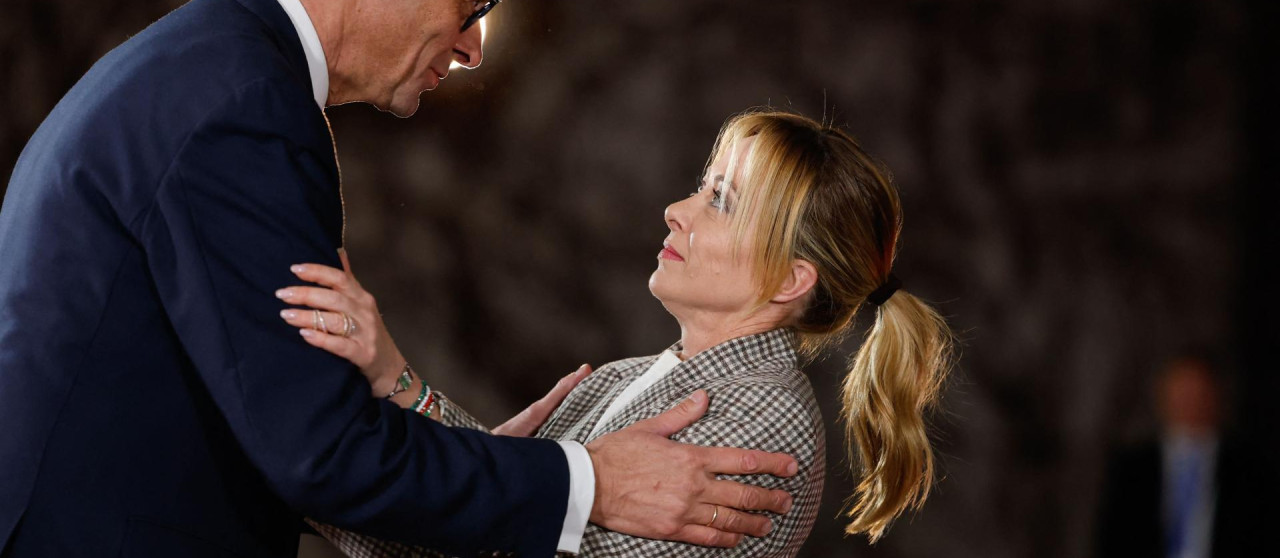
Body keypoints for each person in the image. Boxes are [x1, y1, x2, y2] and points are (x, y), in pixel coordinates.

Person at [0, 0, 798, 556]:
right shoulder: (244, 111)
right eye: (473, 3)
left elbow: (276, 432)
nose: (474, 46)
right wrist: (588, 482)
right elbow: (322, 454)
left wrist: (477, 460)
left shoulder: (199, 68)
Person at [278, 109, 955, 556]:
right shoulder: (622, 378)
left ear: (789, 280)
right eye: (703, 186)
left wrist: (318, 461)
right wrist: (392, 378)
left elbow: (491, 528)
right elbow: (496, 504)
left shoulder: (765, 417)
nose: (676, 210)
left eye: (721, 201)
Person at [1094, 353, 1270, 558]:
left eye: (1199, 391)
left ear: (1217, 395)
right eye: (1182, 391)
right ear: (1162, 395)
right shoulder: (1132, 466)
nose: (1190, 401)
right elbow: (1113, 538)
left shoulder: (1248, 467)